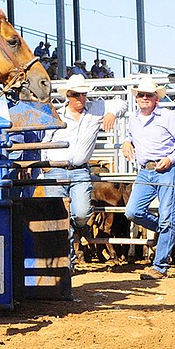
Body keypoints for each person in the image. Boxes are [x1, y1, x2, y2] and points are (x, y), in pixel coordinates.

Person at [41, 74, 127, 271]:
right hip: (55, 169)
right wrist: (44, 162)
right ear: (68, 96)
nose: (81, 98)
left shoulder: (95, 109)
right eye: (77, 94)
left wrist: (111, 113)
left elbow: (121, 103)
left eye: (83, 94)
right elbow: (45, 136)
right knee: (58, 217)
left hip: (79, 171)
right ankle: (68, 264)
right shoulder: (56, 114)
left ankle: (75, 229)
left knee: (81, 213)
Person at [122, 76, 175, 280]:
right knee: (133, 212)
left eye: (148, 95)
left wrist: (171, 158)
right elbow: (131, 135)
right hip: (145, 170)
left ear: (157, 99)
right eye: (141, 95)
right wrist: (127, 141)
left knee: (166, 215)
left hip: (166, 170)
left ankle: (160, 266)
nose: (144, 98)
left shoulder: (168, 117)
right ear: (136, 98)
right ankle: (167, 232)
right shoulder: (134, 118)